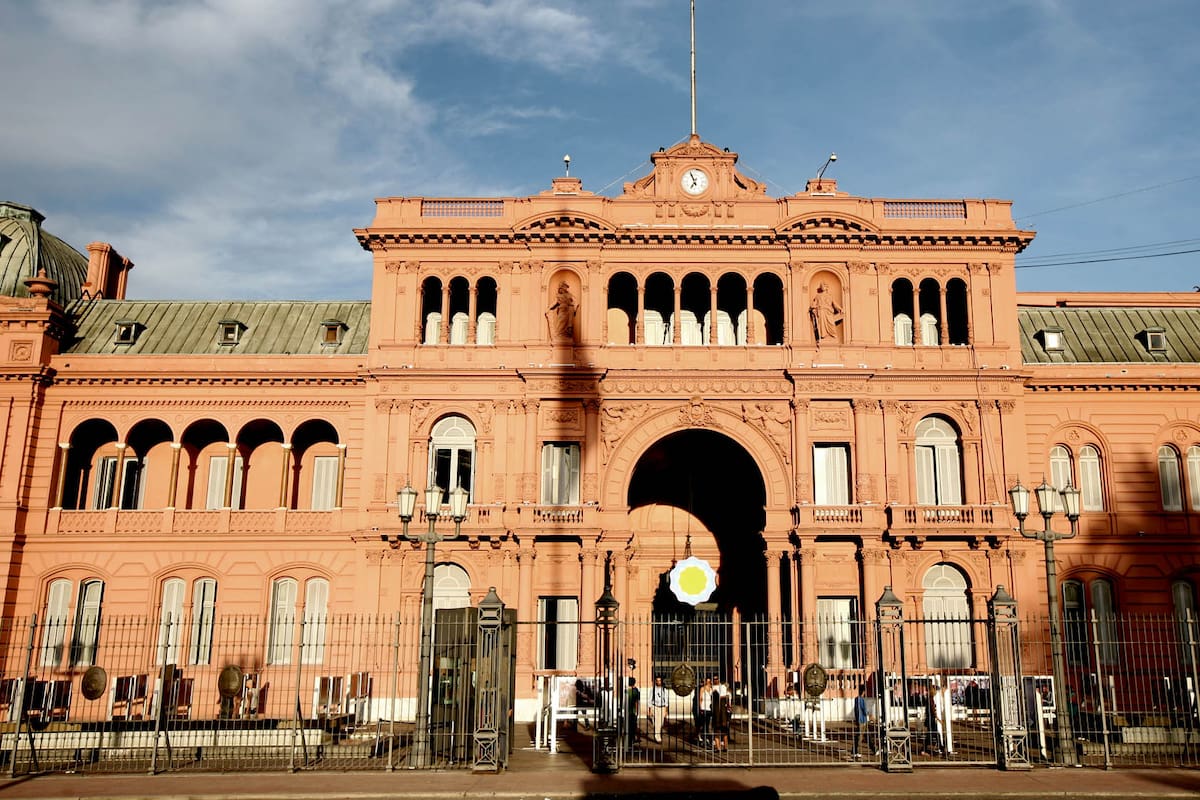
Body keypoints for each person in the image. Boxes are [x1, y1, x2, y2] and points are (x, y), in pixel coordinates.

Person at [851, 683, 872, 759]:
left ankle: (874, 749)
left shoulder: (856, 699)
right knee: (860, 737)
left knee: (866, 735)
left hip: (859, 720)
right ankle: (856, 751)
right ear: (863, 691)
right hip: (863, 720)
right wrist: (869, 714)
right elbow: (864, 711)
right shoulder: (862, 700)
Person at [712, 675, 731, 752]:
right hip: (718, 714)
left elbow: (726, 698)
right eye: (714, 679)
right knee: (718, 731)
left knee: (723, 731)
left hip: (722, 714)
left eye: (716, 679)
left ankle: (725, 747)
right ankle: (718, 747)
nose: (715, 680)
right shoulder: (712, 688)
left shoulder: (722, 687)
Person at [649, 675, 669, 743]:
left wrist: (666, 711)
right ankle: (658, 737)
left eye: (659, 680)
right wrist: (649, 710)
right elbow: (650, 699)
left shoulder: (664, 690)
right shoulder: (652, 689)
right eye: (657, 681)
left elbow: (666, 700)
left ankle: (657, 733)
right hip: (655, 706)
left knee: (660, 723)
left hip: (662, 707)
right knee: (657, 722)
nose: (658, 682)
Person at [624, 676, 641, 751]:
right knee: (633, 726)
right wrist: (637, 711)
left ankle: (627, 741)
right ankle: (632, 740)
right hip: (633, 712)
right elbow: (637, 702)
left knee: (627, 727)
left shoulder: (625, 691)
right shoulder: (636, 691)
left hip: (626, 712)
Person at [696, 676, 713, 747]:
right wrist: (700, 708)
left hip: (709, 708)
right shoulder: (702, 689)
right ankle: (702, 738)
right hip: (703, 708)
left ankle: (706, 738)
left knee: (708, 724)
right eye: (707, 681)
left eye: (709, 681)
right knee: (703, 724)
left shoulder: (712, 689)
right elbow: (700, 699)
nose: (708, 683)